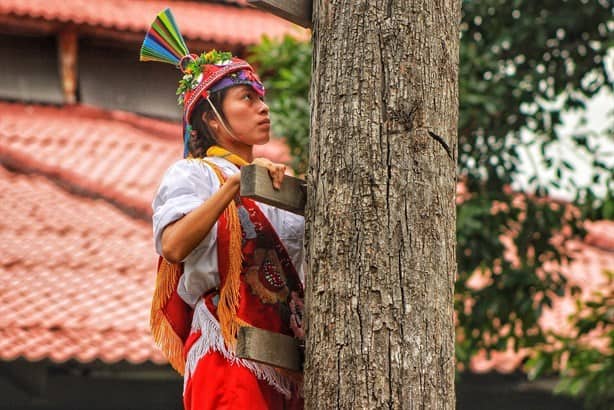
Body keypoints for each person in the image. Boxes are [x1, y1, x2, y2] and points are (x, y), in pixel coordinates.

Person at [141, 9, 305, 410]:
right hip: (228, 352)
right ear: (213, 121)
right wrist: (235, 185)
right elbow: (174, 246)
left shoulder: (279, 185)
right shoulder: (194, 176)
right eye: (247, 98)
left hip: (288, 362)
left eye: (262, 98)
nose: (262, 108)